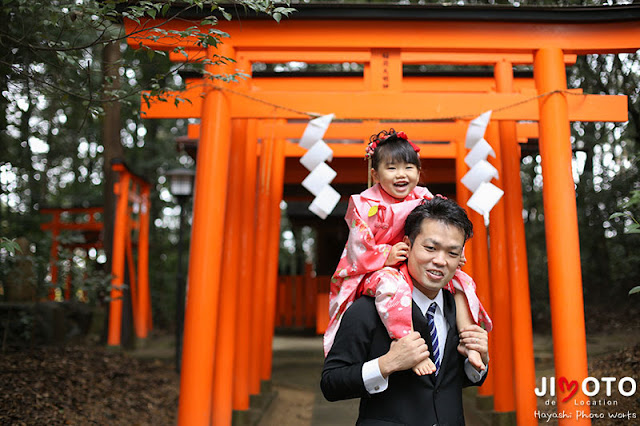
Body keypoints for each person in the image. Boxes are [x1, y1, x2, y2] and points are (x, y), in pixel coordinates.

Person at [323, 129, 492, 375]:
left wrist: (456, 252)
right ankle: (407, 341)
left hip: (413, 262)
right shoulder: (364, 204)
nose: (401, 175)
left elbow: (445, 227)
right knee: (393, 286)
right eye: (392, 168)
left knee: (463, 282)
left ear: (418, 171)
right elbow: (357, 248)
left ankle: (470, 341)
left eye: (409, 168)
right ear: (375, 174)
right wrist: (385, 256)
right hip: (379, 269)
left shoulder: (424, 197)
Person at [321, 197, 489, 425]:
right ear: (408, 246)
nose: (440, 261)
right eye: (430, 248)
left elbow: (447, 382)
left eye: (452, 253)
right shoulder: (367, 309)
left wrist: (478, 361)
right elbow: (331, 383)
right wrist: (387, 364)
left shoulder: (459, 308)